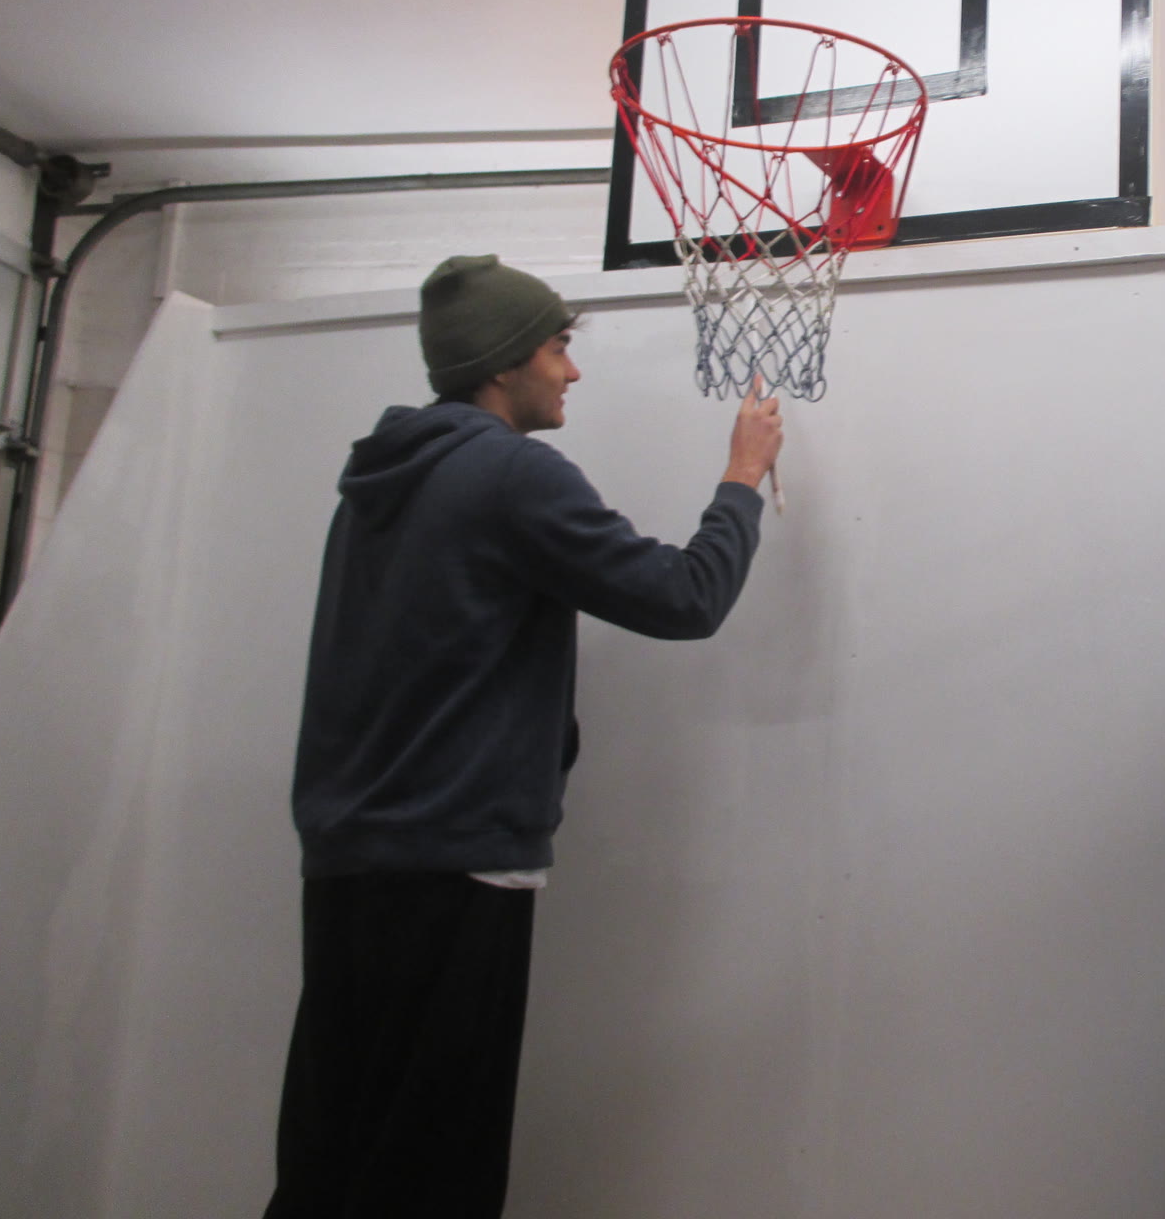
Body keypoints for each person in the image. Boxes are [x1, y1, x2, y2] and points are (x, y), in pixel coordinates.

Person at [264, 254, 783, 1219]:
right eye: (557, 347)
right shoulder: (508, 474)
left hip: (349, 864)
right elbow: (683, 598)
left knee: (334, 1159)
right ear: (503, 364)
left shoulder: (378, 485)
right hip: (453, 865)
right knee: (434, 1176)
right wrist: (742, 478)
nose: (571, 370)